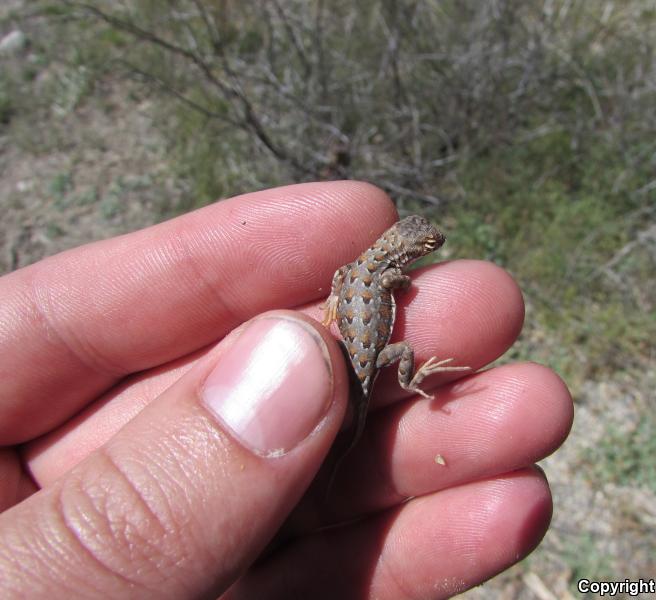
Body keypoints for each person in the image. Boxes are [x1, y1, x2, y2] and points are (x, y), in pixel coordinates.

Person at [0, 181, 572, 597]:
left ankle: (395, 399)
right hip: (367, 359)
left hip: (356, 349)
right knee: (366, 408)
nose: (427, 252)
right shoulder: (390, 276)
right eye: (425, 248)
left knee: (346, 438)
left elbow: (344, 280)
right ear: (405, 252)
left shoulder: (359, 268)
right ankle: (414, 383)